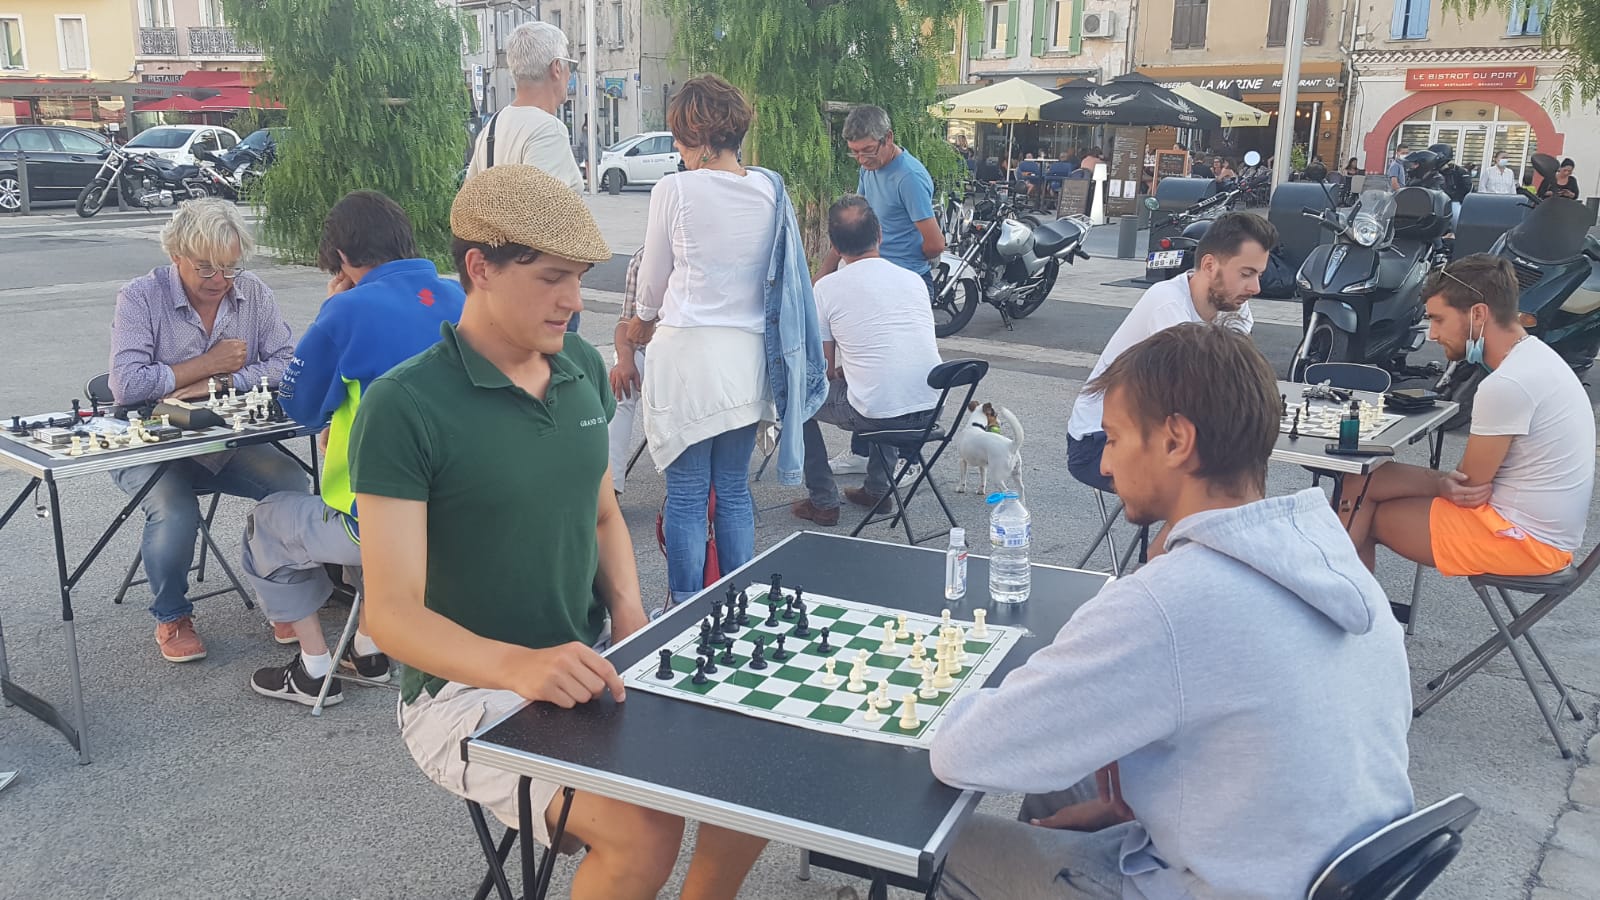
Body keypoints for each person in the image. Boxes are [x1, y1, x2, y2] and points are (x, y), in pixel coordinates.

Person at [353, 165, 766, 900]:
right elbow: (390, 614)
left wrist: (632, 617)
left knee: (752, 775)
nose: (574, 300)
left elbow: (600, 511)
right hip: (463, 692)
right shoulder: (403, 405)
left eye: (577, 277)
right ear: (480, 267)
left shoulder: (577, 367)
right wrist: (518, 667)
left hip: (592, 660)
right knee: (644, 830)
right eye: (551, 278)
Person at [930, 323, 1415, 900]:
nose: (1104, 465)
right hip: (1310, 868)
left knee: (937, 844)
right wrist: (1139, 807)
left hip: (1209, 888)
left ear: (1176, 440)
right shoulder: (1330, 559)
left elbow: (962, 751)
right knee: (1075, 775)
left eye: (1113, 439)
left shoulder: (1168, 603)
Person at [241, 190, 465, 706]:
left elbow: (299, 405)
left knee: (266, 522)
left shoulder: (347, 310)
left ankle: (313, 669)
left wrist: (332, 307)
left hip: (380, 522)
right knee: (380, 533)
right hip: (459, 514)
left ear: (341, 255)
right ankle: (368, 648)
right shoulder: (457, 297)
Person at [632, 74, 825, 607]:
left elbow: (652, 282)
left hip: (689, 356)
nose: (676, 148)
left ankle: (686, 606)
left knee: (687, 493)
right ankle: (737, 601)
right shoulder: (769, 190)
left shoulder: (674, 190)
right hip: (747, 357)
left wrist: (639, 323)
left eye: (679, 137)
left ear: (699, 136)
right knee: (734, 489)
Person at [109, 198, 309, 663]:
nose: (220, 280)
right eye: (206, 268)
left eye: (230, 268)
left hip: (223, 439)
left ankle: (286, 597)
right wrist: (208, 363)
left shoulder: (252, 292)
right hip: (150, 440)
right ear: (176, 254)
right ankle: (172, 615)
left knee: (290, 483)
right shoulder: (140, 296)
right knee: (174, 509)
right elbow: (127, 384)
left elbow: (287, 363)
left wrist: (217, 382)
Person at [1342, 255, 1594, 577]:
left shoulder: (1508, 383)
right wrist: (1434, 482)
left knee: (1360, 508)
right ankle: (1348, 603)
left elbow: (1467, 488)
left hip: (1526, 543)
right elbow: (1463, 484)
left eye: (1438, 319)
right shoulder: (1536, 358)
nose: (1432, 334)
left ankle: (1339, 603)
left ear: (1478, 314)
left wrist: (1433, 483)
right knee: (1362, 480)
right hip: (1539, 533)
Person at [1067, 213, 1273, 495]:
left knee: (1240, 474)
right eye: (1246, 274)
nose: (1255, 288)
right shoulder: (1168, 304)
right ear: (1209, 265)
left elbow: (1236, 378)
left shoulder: (1231, 304)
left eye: (1259, 275)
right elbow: (1196, 399)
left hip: (1157, 432)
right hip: (1099, 442)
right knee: (1206, 489)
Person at [790, 196, 942, 525]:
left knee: (796, 399)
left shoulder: (827, 288)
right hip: (930, 409)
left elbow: (822, 371)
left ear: (834, 246)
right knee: (878, 387)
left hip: (879, 414)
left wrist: (844, 370)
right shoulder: (914, 280)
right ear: (880, 235)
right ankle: (877, 490)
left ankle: (823, 501)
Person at [816, 106, 945, 289]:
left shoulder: (909, 178)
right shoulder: (869, 168)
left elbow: (936, 244)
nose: (862, 159)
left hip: (903, 280)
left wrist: (906, 258)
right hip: (870, 272)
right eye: (855, 152)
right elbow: (852, 225)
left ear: (888, 138)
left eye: (868, 150)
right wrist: (820, 276)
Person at [466, 22, 582, 192]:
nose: (570, 73)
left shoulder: (492, 127)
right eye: (569, 66)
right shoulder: (549, 131)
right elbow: (544, 205)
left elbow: (467, 197)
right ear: (556, 68)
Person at [607, 247, 648, 496]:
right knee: (621, 387)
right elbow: (625, 321)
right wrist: (624, 358)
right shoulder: (643, 257)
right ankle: (610, 490)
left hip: (688, 355)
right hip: (647, 350)